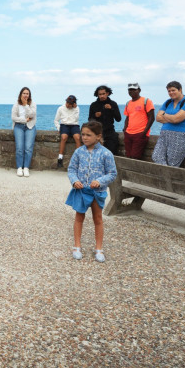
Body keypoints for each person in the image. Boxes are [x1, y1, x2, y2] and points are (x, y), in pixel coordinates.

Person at [65, 121, 117, 263]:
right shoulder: (78, 152)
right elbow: (71, 169)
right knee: (79, 218)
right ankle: (77, 246)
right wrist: (74, 180)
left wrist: (100, 181)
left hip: (97, 192)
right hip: (81, 191)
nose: (85, 137)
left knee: (98, 219)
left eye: (89, 135)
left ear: (98, 136)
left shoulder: (106, 153)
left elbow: (112, 173)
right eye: (83, 134)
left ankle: (99, 248)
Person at [152, 81, 185, 167]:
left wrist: (164, 115)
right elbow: (158, 118)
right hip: (165, 135)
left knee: (172, 163)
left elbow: (176, 119)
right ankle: (166, 176)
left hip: (181, 135)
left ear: (180, 90)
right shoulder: (168, 102)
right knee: (156, 156)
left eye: (173, 90)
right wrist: (171, 118)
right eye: (169, 91)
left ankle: (166, 179)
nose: (171, 93)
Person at [123, 83, 155, 159]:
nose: (132, 91)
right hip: (128, 134)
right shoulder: (128, 103)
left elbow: (152, 118)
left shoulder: (146, 101)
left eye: (134, 89)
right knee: (128, 156)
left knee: (135, 156)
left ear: (139, 90)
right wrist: (125, 130)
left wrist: (144, 132)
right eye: (130, 90)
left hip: (140, 134)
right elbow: (127, 117)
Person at [11, 87, 37, 177]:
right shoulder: (16, 104)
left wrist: (26, 105)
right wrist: (24, 120)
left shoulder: (32, 104)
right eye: (24, 93)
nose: (26, 95)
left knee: (28, 148)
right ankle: (19, 168)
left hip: (30, 127)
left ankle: (26, 168)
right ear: (21, 94)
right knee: (19, 148)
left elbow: (32, 115)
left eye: (27, 93)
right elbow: (13, 117)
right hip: (18, 127)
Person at [88, 85, 122, 154]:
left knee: (112, 153)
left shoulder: (113, 104)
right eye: (100, 94)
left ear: (107, 93)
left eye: (103, 94)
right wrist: (95, 116)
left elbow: (118, 119)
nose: (102, 96)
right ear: (97, 95)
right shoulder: (93, 105)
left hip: (110, 132)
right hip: (97, 132)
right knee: (96, 153)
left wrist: (111, 109)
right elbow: (90, 120)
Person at [53, 95, 81, 170]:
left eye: (70, 104)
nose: (68, 105)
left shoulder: (77, 108)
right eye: (67, 103)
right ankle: (60, 158)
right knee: (64, 137)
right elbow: (56, 120)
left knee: (77, 137)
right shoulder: (61, 108)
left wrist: (75, 109)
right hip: (64, 125)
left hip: (74, 125)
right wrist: (59, 128)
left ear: (73, 104)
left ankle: (78, 158)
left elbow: (76, 119)